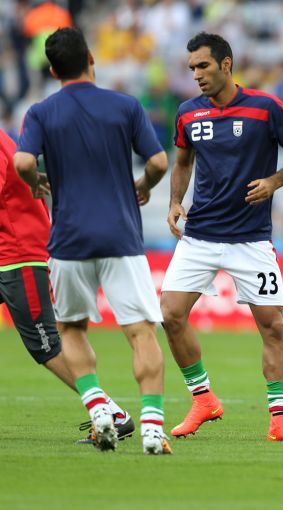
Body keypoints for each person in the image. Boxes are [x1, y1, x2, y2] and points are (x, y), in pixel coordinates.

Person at [13, 28, 170, 454]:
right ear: (91, 58)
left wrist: (35, 182)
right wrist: (145, 184)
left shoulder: (41, 112)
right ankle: (153, 428)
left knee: (71, 328)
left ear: (52, 71)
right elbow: (159, 161)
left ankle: (98, 405)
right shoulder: (125, 105)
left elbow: (22, 161)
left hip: (68, 238)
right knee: (141, 332)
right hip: (121, 236)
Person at [161, 32, 283, 443]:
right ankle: (203, 399)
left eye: (203, 66)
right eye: (192, 68)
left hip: (251, 239)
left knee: (272, 326)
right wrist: (175, 202)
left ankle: (280, 422)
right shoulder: (188, 112)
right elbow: (182, 161)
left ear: (226, 64)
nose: (196, 74)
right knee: (170, 314)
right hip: (200, 236)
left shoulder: (266, 108)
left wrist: (273, 182)